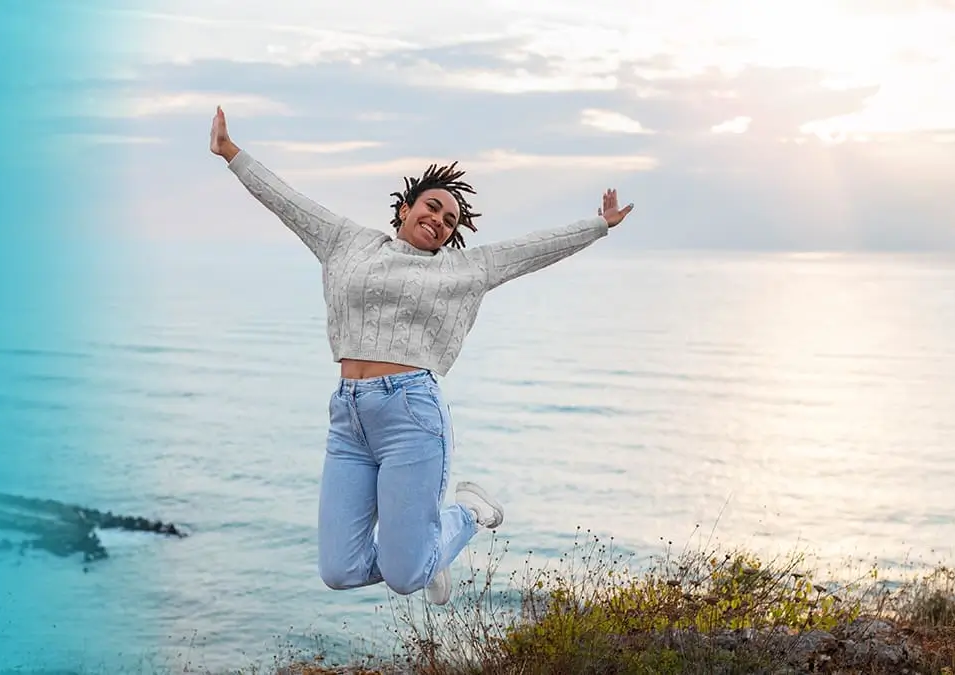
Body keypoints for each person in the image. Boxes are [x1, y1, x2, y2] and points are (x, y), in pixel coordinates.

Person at [207, 106, 635, 606]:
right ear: (406, 207)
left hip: (412, 414)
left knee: (405, 576)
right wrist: (231, 153)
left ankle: (469, 513)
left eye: (450, 220)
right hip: (348, 416)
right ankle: (430, 552)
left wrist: (598, 225)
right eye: (431, 207)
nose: (438, 220)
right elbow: (290, 203)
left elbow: (532, 249)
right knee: (339, 571)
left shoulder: (465, 270)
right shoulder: (348, 242)